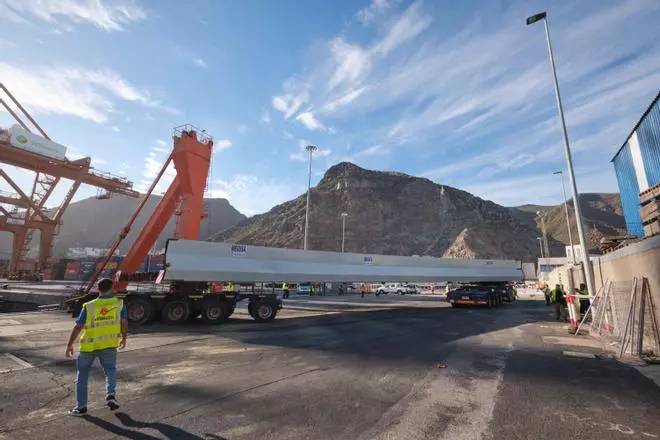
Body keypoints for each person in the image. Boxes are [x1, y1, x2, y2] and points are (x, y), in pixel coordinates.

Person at [66, 278, 128, 416]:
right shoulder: (120, 304)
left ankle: (81, 407)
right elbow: (124, 322)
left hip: (89, 347)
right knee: (110, 370)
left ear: (98, 289)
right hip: (109, 345)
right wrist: (124, 338)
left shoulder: (89, 306)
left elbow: (78, 326)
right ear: (112, 288)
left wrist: (70, 344)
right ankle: (111, 395)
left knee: (82, 376)